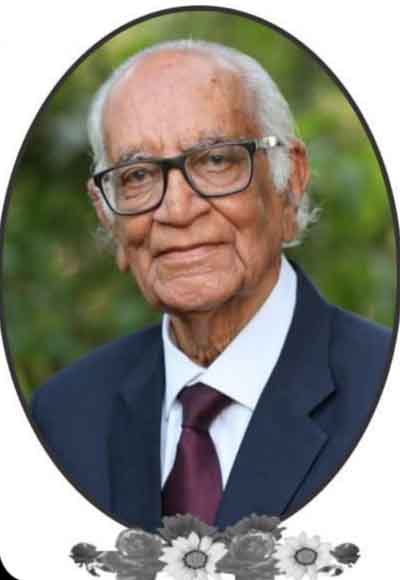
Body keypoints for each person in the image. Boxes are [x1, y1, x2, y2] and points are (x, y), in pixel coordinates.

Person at [31, 39, 391, 532]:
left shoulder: (382, 391)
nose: (177, 211)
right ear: (107, 215)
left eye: (216, 160)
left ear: (289, 181)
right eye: (138, 175)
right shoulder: (63, 417)